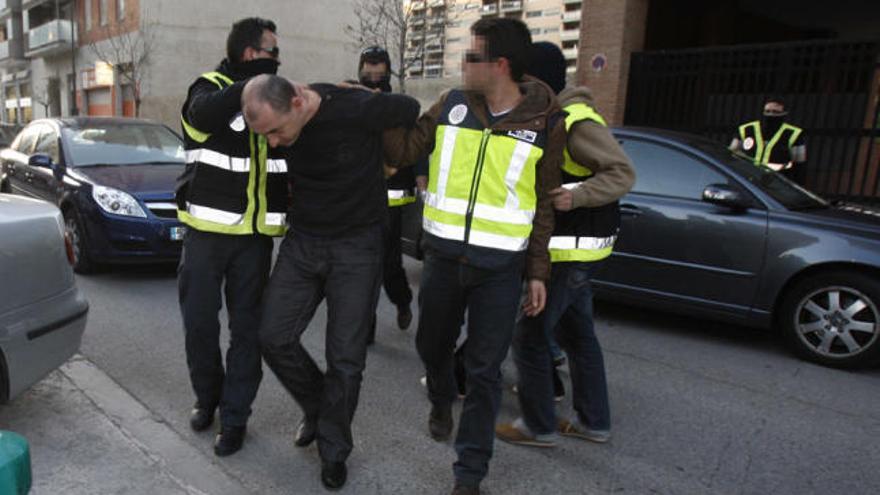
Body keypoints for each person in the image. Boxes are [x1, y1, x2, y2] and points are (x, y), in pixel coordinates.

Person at [383, 18, 564, 495]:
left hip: (500, 268)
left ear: (499, 65)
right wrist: (372, 110)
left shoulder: (545, 120)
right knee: (432, 347)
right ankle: (441, 398)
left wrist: (538, 272)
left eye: (471, 56)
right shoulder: (451, 104)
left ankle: (470, 471)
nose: (462, 64)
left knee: (484, 372)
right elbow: (404, 148)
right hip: (442, 258)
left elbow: (545, 201)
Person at [243, 75, 419, 490]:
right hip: (304, 241)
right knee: (272, 335)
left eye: (274, 131)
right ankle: (321, 409)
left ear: (299, 101)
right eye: (263, 134)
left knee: (345, 358)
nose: (271, 142)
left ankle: (334, 447)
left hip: (357, 246)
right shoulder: (288, 116)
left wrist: (372, 96)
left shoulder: (356, 107)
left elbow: (408, 109)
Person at [494, 41, 635, 449]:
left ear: (539, 80)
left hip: (572, 249)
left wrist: (578, 195)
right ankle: (594, 421)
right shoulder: (553, 116)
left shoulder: (575, 120)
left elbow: (622, 172)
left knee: (531, 336)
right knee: (577, 336)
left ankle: (537, 425)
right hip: (575, 247)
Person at [176, 17, 289, 458]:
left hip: (255, 241)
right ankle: (208, 398)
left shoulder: (273, 99)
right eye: (271, 52)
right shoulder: (208, 88)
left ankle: (236, 418)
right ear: (248, 54)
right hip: (206, 236)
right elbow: (200, 119)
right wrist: (248, 89)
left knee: (248, 334)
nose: (278, 59)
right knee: (199, 326)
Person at [358, 46, 416, 341]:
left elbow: (413, 147)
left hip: (392, 198)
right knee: (363, 265)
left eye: (378, 74)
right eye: (368, 73)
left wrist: (420, 177)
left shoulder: (399, 106)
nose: (373, 80)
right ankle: (364, 328)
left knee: (389, 263)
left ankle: (402, 300)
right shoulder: (353, 99)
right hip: (361, 198)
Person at [729, 97, 806, 182]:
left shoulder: (793, 133)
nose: (771, 115)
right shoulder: (747, 129)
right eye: (768, 111)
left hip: (776, 181)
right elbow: (732, 154)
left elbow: (799, 164)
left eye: (776, 112)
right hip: (746, 178)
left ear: (784, 113)